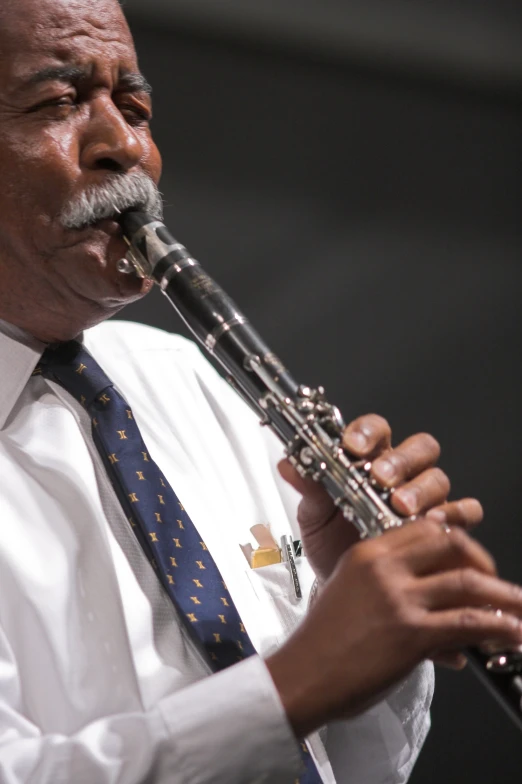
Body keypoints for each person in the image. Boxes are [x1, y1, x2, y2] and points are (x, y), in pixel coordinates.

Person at [1, 1, 522, 782]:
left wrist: (352, 620)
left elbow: (349, 766)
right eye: (59, 103)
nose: (126, 147)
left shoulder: (182, 374)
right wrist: (299, 681)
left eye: (135, 107)